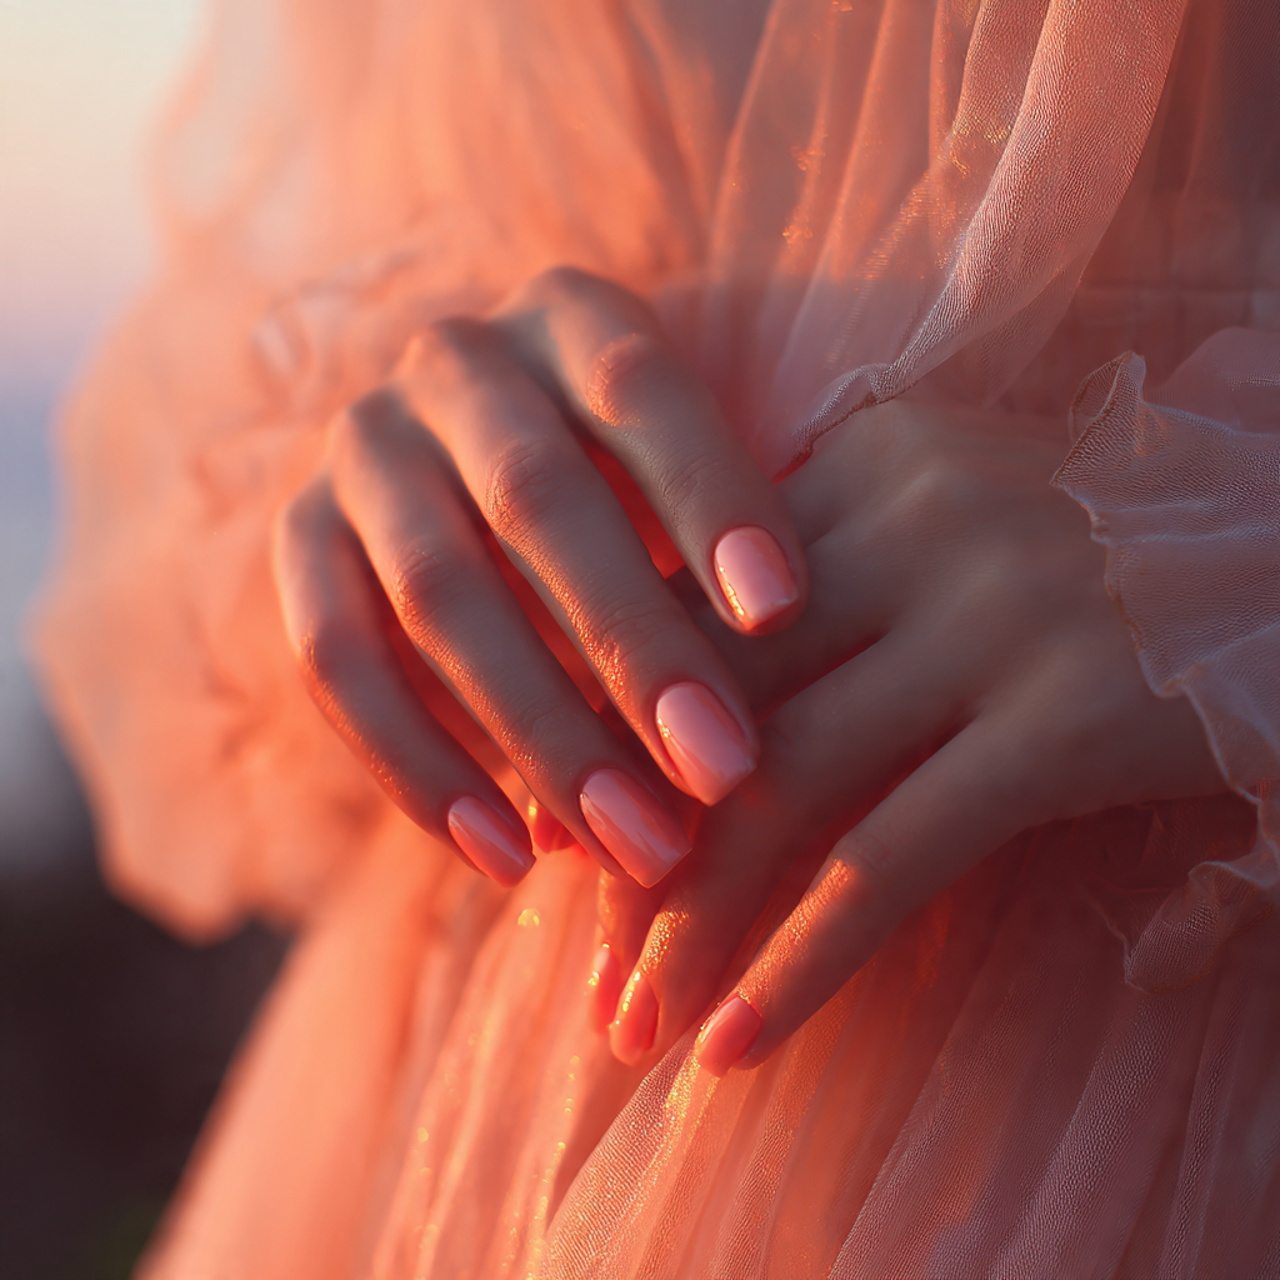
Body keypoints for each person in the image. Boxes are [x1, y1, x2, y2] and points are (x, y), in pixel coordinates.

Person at [34, 1, 1280, 1276]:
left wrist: (1226, 559)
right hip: (487, 1092)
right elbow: (158, 591)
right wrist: (410, 475)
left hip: (1189, 1039)